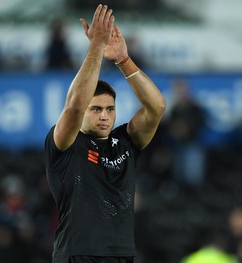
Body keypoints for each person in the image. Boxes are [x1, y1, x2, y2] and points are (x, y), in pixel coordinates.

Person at [44, 4, 166, 263]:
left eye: (110, 109)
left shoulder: (125, 142)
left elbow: (156, 107)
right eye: (96, 109)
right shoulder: (66, 142)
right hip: (78, 254)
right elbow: (75, 106)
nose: (104, 116)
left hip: (121, 255)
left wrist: (124, 60)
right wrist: (96, 48)